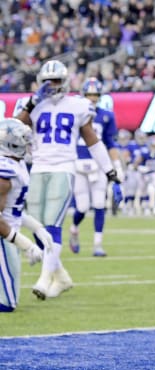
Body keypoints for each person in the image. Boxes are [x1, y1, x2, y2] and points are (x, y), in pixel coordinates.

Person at [15, 60, 120, 300]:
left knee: (52, 225)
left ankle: (44, 280)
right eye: (47, 81)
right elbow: (14, 129)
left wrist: (110, 172)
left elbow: (93, 141)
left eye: (56, 81)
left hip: (64, 167)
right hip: (38, 167)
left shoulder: (78, 105)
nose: (52, 86)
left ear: (65, 82)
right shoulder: (32, 105)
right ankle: (60, 276)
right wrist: (32, 102)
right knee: (36, 227)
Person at [0, 119, 52, 311]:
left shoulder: (17, 165)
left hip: (8, 234)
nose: (27, 145)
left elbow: (13, 209)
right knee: (7, 304)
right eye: (23, 140)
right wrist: (26, 245)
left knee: (8, 300)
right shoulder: (5, 173)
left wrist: (37, 228)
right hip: (4, 236)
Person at [69, 77, 123, 257]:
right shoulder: (75, 113)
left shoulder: (106, 115)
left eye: (95, 94)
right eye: (89, 94)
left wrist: (116, 165)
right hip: (77, 164)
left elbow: (110, 143)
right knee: (83, 208)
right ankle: (74, 228)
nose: (92, 97)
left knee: (100, 204)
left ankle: (97, 244)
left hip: (99, 165)